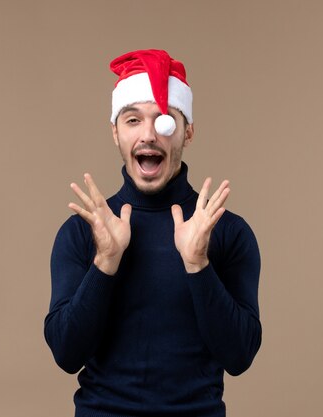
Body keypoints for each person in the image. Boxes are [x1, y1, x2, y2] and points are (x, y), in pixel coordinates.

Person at [44, 49, 262, 417]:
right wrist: (105, 263)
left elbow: (239, 356)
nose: (148, 136)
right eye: (133, 120)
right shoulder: (83, 230)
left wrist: (198, 264)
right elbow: (67, 354)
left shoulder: (226, 231)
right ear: (116, 132)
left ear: (187, 132)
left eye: (164, 121)